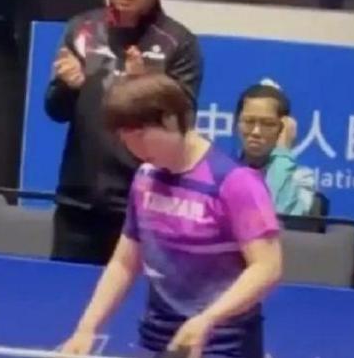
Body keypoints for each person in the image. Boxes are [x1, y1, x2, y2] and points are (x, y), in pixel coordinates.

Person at [61, 73, 282, 358]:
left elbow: (267, 268)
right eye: (125, 140)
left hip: (223, 343)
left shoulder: (235, 182)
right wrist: (87, 328)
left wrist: (208, 319)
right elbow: (124, 263)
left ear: (170, 120)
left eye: (141, 137)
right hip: (157, 339)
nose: (134, 150)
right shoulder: (145, 177)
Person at [45, 0, 203, 265]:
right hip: (78, 205)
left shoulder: (179, 43)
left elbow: (182, 126)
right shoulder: (82, 29)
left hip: (146, 206)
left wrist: (144, 87)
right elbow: (55, 111)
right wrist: (67, 86)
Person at [236, 82, 316, 215]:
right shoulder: (221, 174)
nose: (256, 131)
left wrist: (282, 152)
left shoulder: (300, 180)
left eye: (268, 124)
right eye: (249, 121)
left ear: (282, 129)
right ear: (237, 124)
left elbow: (275, 219)